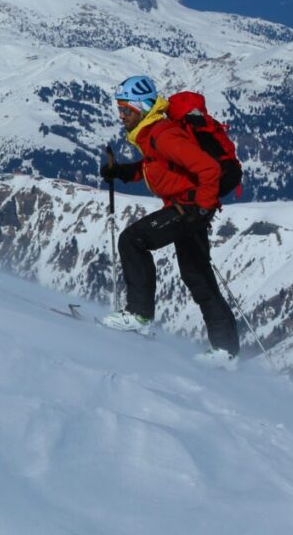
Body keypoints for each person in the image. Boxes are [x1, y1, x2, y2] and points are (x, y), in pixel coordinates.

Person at [99, 75, 241, 369]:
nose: (121, 116)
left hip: (189, 208)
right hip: (190, 206)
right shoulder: (151, 133)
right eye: (119, 109)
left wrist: (201, 209)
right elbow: (159, 166)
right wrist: (124, 173)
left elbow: (208, 168)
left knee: (132, 240)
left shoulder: (161, 134)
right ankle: (226, 352)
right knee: (197, 275)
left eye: (127, 110)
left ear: (143, 108)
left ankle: (139, 316)